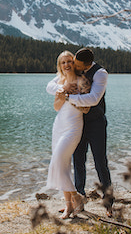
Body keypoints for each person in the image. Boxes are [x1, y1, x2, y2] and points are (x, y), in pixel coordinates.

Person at [46, 47, 113, 217]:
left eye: (75, 63)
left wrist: (68, 97)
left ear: (86, 64)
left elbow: (93, 99)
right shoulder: (74, 69)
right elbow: (53, 83)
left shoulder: (100, 74)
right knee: (77, 161)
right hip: (76, 123)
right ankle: (79, 199)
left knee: (100, 161)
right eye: (70, 61)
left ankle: (108, 203)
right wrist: (60, 90)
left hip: (95, 123)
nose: (72, 65)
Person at [46, 50, 90, 219]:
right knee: (62, 165)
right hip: (59, 126)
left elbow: (86, 108)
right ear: (60, 66)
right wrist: (62, 92)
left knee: (57, 160)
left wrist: (70, 96)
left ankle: (77, 197)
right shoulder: (60, 82)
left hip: (73, 126)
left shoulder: (82, 81)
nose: (66, 65)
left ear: (74, 63)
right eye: (63, 62)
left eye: (69, 61)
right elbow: (57, 107)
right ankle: (69, 205)